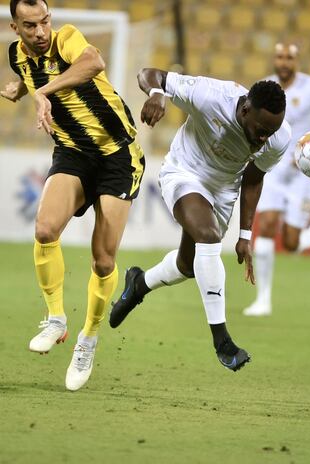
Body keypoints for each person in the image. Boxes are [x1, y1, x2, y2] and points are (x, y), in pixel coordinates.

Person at [1, 0, 145, 390]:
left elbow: (93, 63)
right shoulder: (17, 55)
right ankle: (56, 319)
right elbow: (27, 77)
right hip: (73, 154)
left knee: (102, 260)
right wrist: (20, 89)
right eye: (30, 26)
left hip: (117, 154)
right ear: (15, 28)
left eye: (45, 21)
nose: (41, 32)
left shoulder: (66, 39)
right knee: (45, 229)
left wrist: (43, 91)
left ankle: (88, 338)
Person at [109, 67, 291, 371]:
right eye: (261, 129)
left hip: (222, 191)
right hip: (184, 173)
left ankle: (138, 284)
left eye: (271, 132)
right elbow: (148, 74)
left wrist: (245, 234)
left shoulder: (277, 137)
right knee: (207, 237)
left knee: (187, 265)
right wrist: (157, 93)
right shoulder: (210, 96)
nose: (264, 138)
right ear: (245, 109)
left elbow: (254, 178)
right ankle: (222, 341)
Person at [243, 43, 310, 317]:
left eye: (289, 58)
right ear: (274, 60)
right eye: (279, 57)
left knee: (290, 243)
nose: (283, 62)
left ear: (297, 61)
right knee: (267, 226)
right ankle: (263, 300)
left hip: (304, 174)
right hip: (273, 168)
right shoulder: (265, 90)